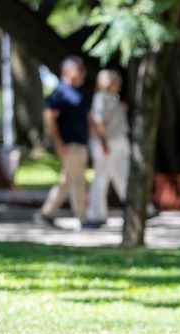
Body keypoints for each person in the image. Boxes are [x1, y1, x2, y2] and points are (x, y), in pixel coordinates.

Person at [36, 56, 90, 228]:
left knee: (67, 180)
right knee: (78, 180)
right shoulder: (60, 93)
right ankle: (81, 217)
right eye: (79, 69)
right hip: (69, 143)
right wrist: (58, 142)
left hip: (80, 143)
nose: (83, 73)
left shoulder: (79, 92)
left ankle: (46, 213)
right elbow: (49, 116)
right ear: (67, 71)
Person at [84, 70, 129, 229]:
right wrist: (103, 143)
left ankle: (137, 208)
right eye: (115, 80)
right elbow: (97, 121)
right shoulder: (100, 98)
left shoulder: (114, 99)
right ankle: (96, 215)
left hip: (119, 142)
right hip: (106, 144)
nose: (119, 84)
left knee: (122, 175)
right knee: (101, 177)